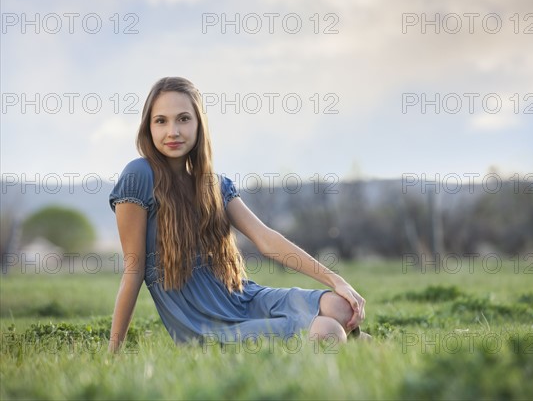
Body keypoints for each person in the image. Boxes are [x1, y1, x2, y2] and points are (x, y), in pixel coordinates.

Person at [108, 77, 368, 353]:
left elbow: (266, 239)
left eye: (183, 119)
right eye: (161, 121)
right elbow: (133, 271)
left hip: (243, 298)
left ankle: (358, 349)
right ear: (148, 127)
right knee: (328, 331)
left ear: (199, 125)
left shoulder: (214, 185)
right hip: (205, 327)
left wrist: (336, 280)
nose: (172, 131)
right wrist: (113, 354)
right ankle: (349, 346)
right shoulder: (138, 175)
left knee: (338, 306)